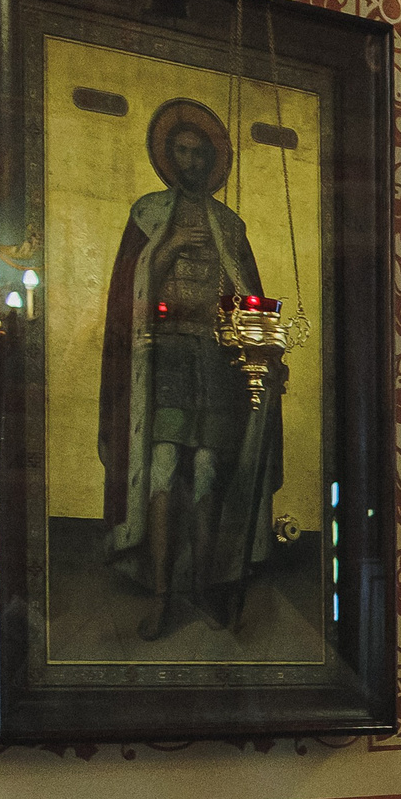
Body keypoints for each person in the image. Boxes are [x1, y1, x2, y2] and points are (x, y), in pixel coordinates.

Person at [100, 99, 286, 641]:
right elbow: (129, 290)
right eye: (180, 152)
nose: (189, 162)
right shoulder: (150, 213)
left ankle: (204, 586)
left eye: (198, 153)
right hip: (166, 360)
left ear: (210, 160)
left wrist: (266, 350)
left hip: (216, 361)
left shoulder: (230, 224)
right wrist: (171, 248)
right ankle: (161, 594)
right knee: (161, 466)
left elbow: (248, 295)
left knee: (207, 471)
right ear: (168, 158)